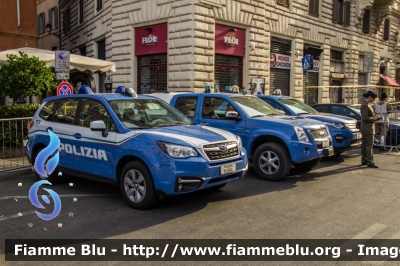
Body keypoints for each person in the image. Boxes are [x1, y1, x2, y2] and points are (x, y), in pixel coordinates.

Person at [360, 91, 381, 168]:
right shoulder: (365, 105)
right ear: (369, 97)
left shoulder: (366, 104)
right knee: (369, 145)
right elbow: (365, 118)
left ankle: (364, 159)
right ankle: (370, 161)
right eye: (373, 98)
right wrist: (374, 118)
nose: (373, 100)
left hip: (366, 127)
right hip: (368, 128)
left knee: (365, 145)